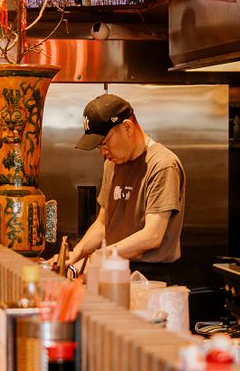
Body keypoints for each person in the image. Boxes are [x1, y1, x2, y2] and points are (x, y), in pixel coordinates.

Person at [69, 93, 186, 284]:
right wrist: (73, 257)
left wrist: (100, 256)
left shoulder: (162, 164)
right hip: (114, 268)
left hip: (150, 277)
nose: (103, 152)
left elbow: (152, 236)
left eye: (105, 143)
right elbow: (102, 224)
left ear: (127, 127)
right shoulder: (112, 164)